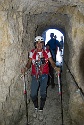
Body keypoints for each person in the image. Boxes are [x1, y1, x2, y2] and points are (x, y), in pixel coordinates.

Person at [21, 36, 60, 121]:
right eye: (37, 43)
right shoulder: (32, 52)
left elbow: (52, 62)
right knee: (33, 94)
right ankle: (35, 107)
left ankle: (40, 109)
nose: (39, 45)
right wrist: (25, 68)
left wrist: (55, 67)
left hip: (44, 75)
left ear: (43, 44)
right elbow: (29, 63)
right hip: (35, 76)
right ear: (35, 44)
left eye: (41, 43)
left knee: (43, 93)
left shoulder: (47, 52)